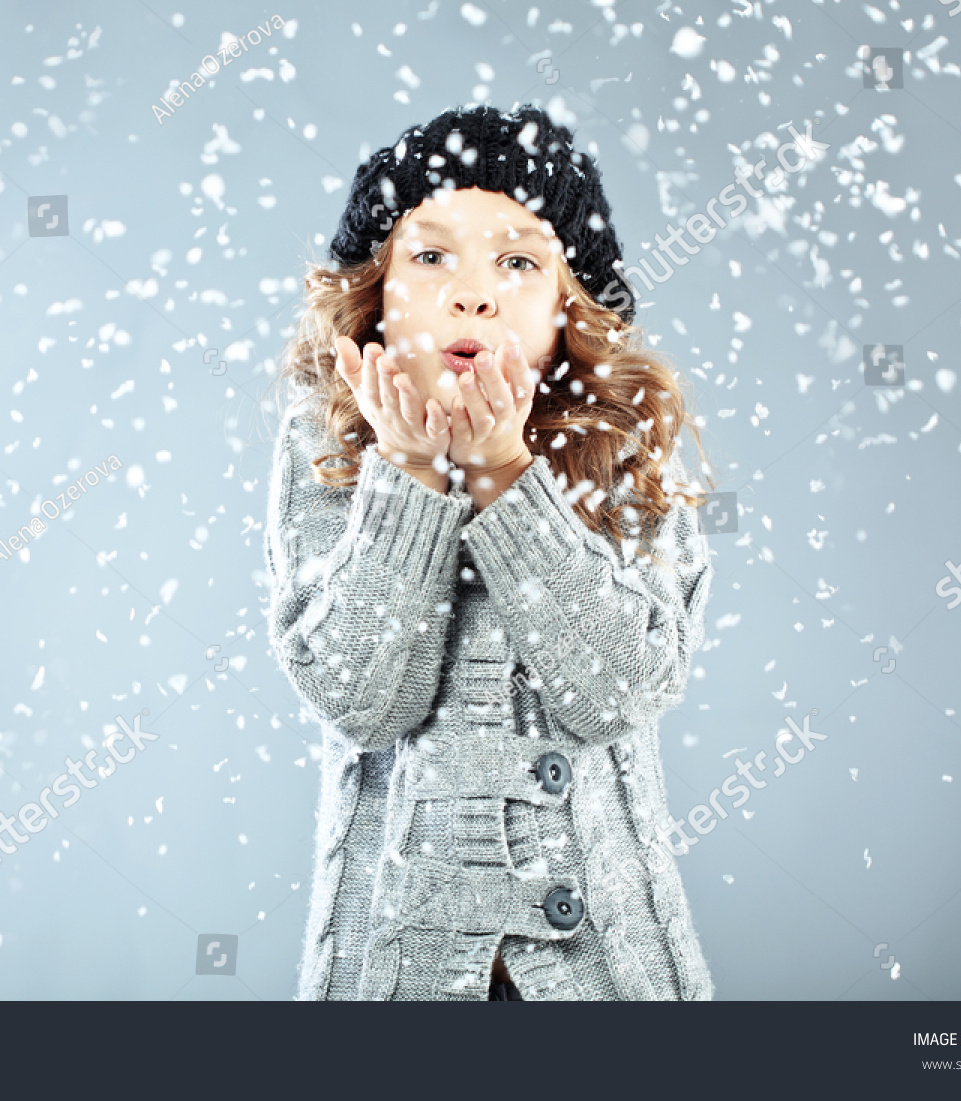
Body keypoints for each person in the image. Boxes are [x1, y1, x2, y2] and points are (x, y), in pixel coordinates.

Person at [264, 104, 717, 1001]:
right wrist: (408, 475)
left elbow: (620, 688)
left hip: (604, 973)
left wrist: (507, 471)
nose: (472, 292)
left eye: (517, 261)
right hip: (393, 972)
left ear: (568, 305)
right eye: (431, 256)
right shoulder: (329, 446)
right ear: (377, 295)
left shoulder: (620, 439)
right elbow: (362, 699)